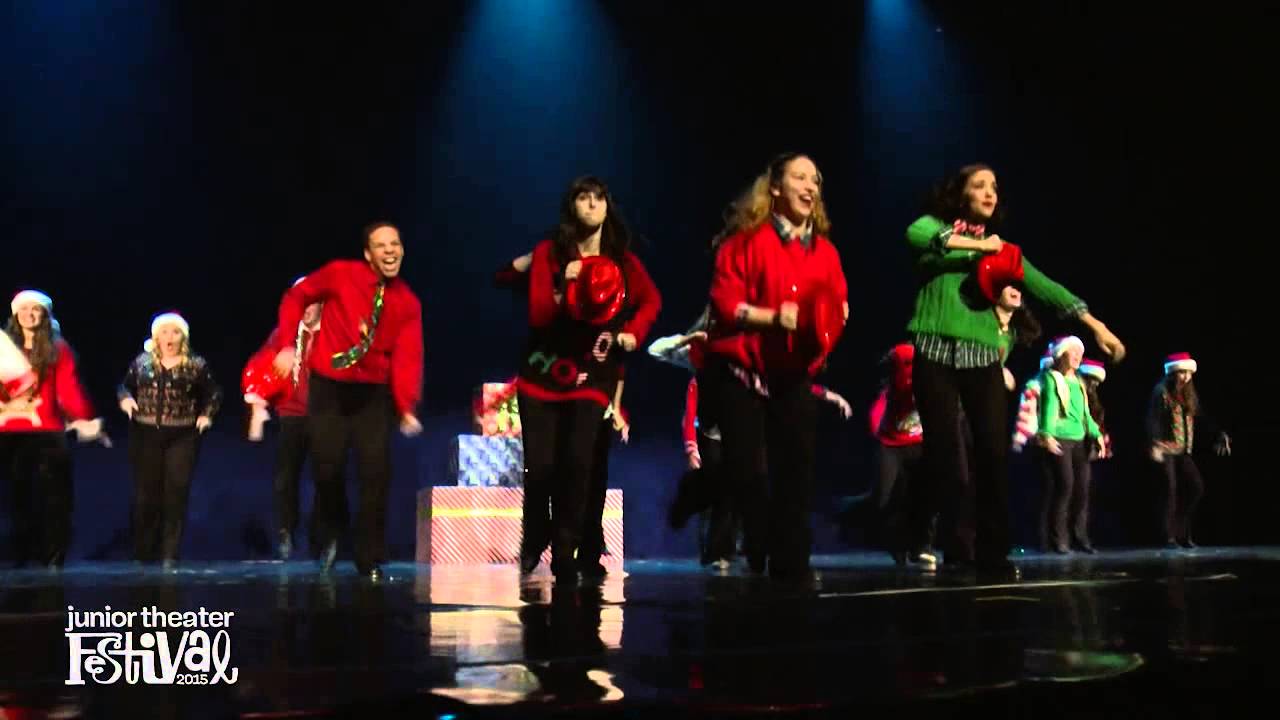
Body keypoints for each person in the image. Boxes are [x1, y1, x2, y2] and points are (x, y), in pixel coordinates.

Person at [903, 163, 1124, 578]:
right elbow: (918, 235)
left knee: (992, 452)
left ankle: (992, 550)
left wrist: (1096, 326)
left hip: (983, 355)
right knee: (945, 454)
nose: (990, 193)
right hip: (934, 351)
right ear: (959, 193)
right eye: (979, 186)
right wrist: (978, 248)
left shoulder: (1004, 249)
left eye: (994, 187)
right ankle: (951, 544)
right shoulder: (934, 227)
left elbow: (1045, 287)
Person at [706, 152, 849, 582]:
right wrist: (771, 317)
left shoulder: (825, 252)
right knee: (747, 472)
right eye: (799, 178)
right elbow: (725, 305)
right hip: (742, 373)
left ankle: (791, 560)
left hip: (793, 375)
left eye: (816, 180)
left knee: (796, 471)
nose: (810, 187)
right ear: (774, 188)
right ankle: (759, 542)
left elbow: (835, 307)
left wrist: (835, 318)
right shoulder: (743, 244)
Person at [516, 176, 661, 583]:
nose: (593, 205)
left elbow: (652, 299)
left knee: (579, 464)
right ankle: (536, 531)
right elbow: (539, 316)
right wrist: (568, 281)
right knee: (541, 468)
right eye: (584, 197)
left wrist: (634, 330)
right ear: (572, 206)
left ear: (608, 207)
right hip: (542, 373)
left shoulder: (623, 261)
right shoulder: (551, 253)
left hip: (593, 375)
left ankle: (565, 551)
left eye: (600, 198)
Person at [272, 222, 424, 581]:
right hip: (329, 388)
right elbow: (297, 297)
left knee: (375, 474)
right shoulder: (342, 274)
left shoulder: (407, 302)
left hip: (373, 395)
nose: (390, 251)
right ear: (368, 254)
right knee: (328, 469)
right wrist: (287, 344)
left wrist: (405, 406)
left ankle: (368, 556)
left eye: (395, 244)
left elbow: (407, 357)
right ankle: (330, 532)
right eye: (381, 245)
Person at [0, 290, 104, 568]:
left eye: (36, 310)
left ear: (45, 315)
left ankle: (53, 556)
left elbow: (68, 390)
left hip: (47, 430)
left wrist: (84, 417)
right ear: (14, 314)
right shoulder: (4, 348)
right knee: (17, 496)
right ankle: (21, 553)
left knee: (54, 497)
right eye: (23, 310)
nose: (29, 314)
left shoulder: (58, 348)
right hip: (8, 432)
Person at [119, 312, 221, 568]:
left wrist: (206, 415)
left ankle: (169, 554)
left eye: (175, 332)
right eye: (164, 332)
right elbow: (124, 386)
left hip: (183, 434)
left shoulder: (195, 365)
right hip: (146, 434)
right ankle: (143, 553)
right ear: (156, 336)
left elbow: (214, 393)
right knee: (146, 495)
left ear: (183, 338)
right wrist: (125, 399)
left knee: (176, 493)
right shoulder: (142, 362)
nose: (169, 338)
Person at [244, 280, 327, 560]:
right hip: (292, 413)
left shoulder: (336, 333)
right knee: (285, 478)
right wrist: (258, 404)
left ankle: (322, 540)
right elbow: (260, 366)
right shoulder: (284, 335)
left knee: (325, 478)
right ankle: (285, 533)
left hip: (326, 416)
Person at [1148, 353, 1231, 549]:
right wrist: (1154, 444)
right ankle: (1169, 537)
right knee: (1170, 490)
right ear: (1172, 373)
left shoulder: (1188, 394)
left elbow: (1200, 416)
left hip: (1183, 449)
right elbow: (1153, 418)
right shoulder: (1161, 391)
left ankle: (1183, 533)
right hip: (1165, 448)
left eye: (1188, 373)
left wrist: (1219, 433)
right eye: (1181, 372)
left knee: (1195, 487)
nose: (1185, 377)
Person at [1035, 336, 1103, 554]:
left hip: (1079, 439)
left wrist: (1097, 434)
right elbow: (1049, 407)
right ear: (1061, 354)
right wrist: (1045, 434)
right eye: (1072, 352)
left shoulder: (1078, 382)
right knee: (1065, 487)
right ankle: (1059, 539)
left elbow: (1085, 414)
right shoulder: (1052, 378)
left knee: (1082, 489)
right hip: (1060, 438)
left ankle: (1080, 537)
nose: (1077, 356)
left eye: (1079, 353)